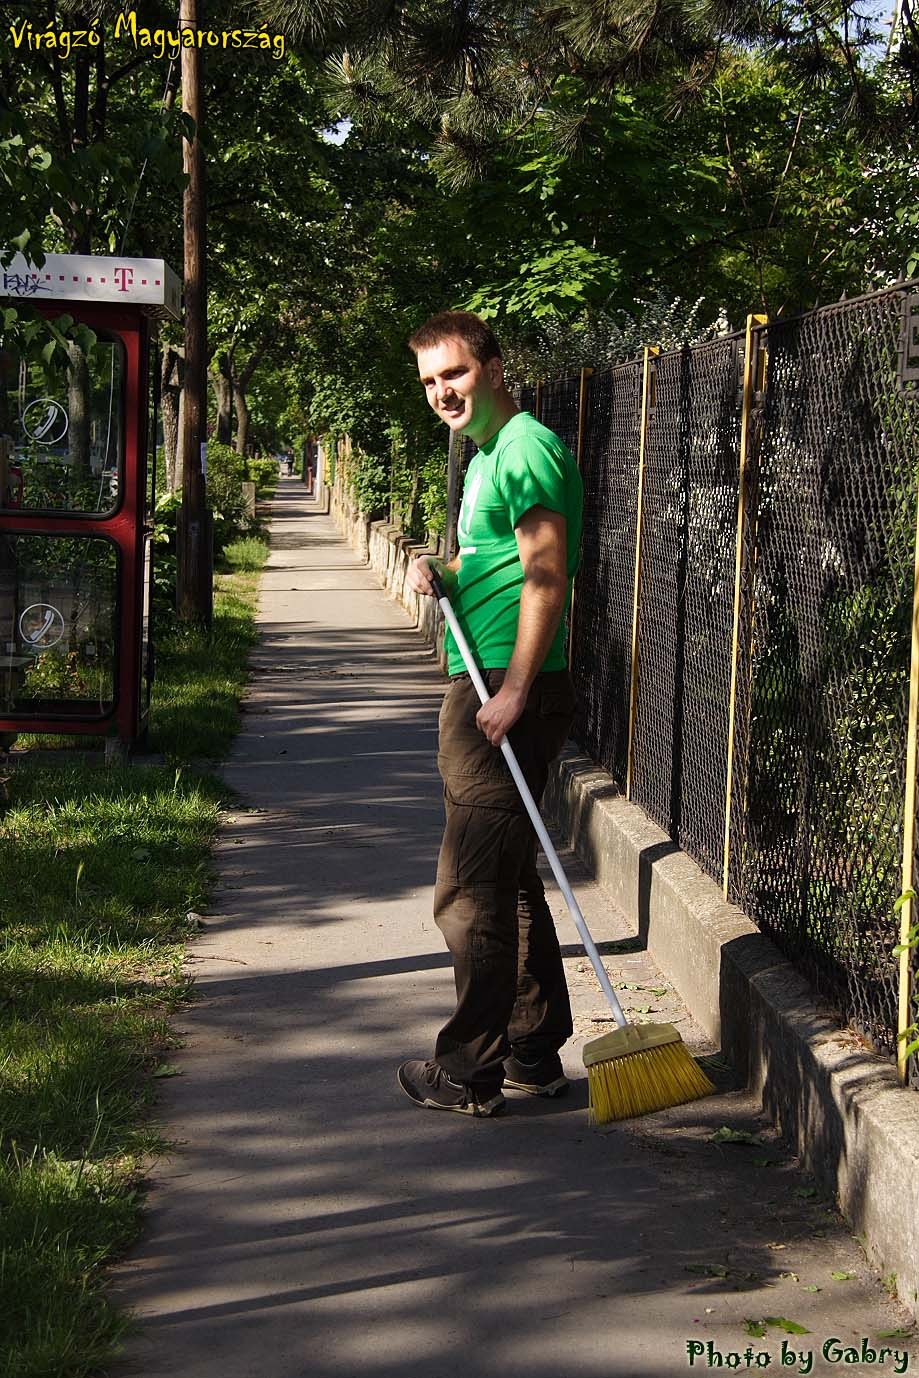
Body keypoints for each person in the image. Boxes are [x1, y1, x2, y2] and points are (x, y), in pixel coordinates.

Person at [398, 310, 583, 1117]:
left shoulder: (527, 448)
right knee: (505, 881)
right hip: (488, 679)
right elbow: (499, 565)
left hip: (506, 687)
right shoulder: (483, 459)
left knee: (467, 888)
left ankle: (468, 1068)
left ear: (495, 368)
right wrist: (443, 571)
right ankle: (534, 1052)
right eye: (431, 381)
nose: (443, 392)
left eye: (456, 374)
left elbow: (546, 576)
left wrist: (510, 690)